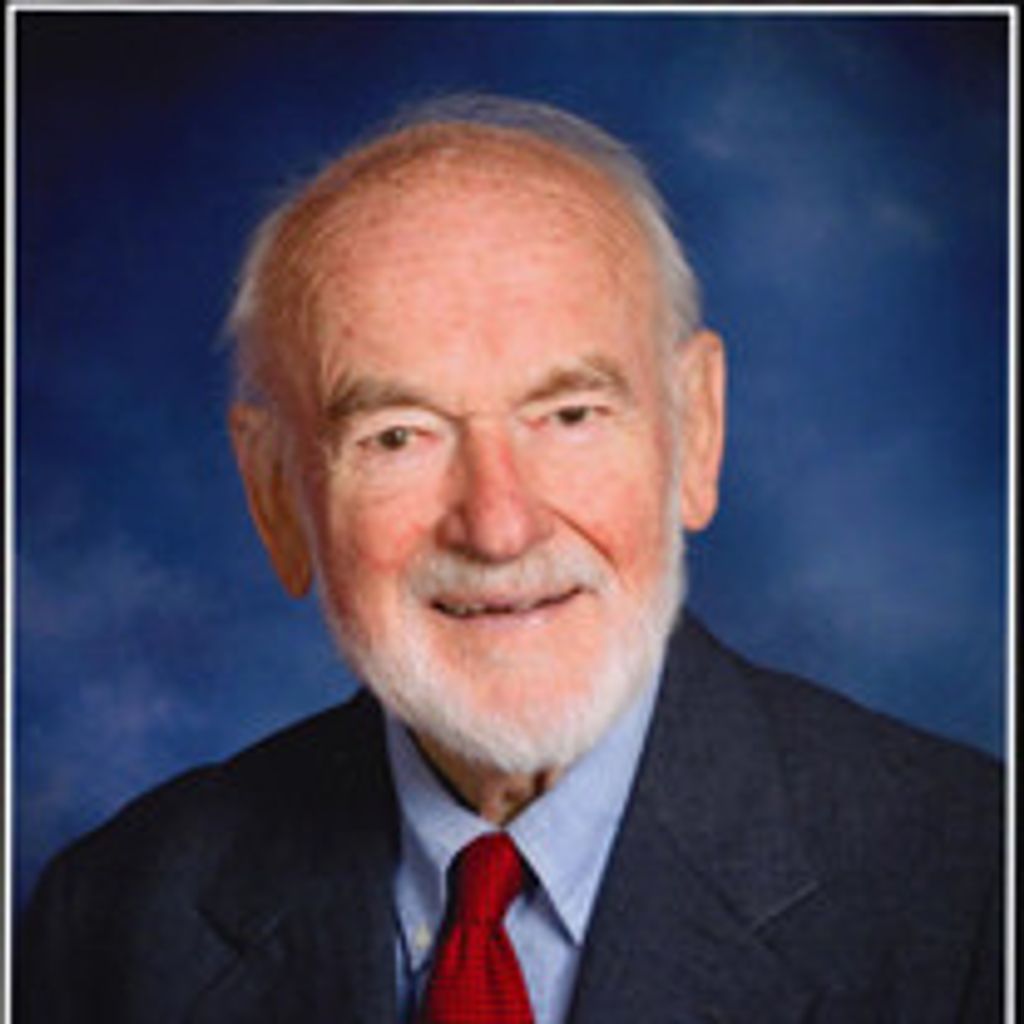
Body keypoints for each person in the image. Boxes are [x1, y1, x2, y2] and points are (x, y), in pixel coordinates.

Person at [17, 94, 1002, 1023]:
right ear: (275, 490)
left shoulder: (974, 892)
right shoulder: (112, 920)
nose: (498, 526)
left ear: (695, 430)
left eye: (569, 415)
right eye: (398, 436)